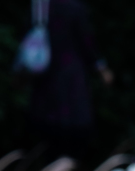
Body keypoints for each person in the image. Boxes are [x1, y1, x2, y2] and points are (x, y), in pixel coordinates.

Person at [27, 0, 113, 160]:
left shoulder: (40, 5)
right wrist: (101, 68)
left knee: (50, 128)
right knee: (78, 132)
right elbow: (86, 41)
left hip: (44, 72)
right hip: (70, 77)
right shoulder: (73, 6)